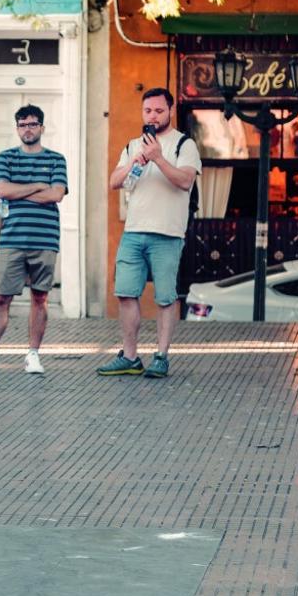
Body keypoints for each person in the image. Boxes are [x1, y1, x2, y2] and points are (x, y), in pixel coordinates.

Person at [99, 86, 201, 379]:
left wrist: (158, 158)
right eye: (148, 111)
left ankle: (161, 357)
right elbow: (114, 181)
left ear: (171, 111)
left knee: (165, 297)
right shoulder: (133, 145)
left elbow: (185, 181)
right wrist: (136, 161)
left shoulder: (184, 145)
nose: (153, 116)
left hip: (167, 233)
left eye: (159, 110)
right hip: (133, 231)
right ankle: (130, 357)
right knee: (125, 293)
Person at [0, 105, 68, 376]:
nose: (28, 129)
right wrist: (38, 186)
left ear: (42, 128)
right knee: (1, 298)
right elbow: (2, 190)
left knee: (40, 297)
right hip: (11, 238)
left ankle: (33, 355)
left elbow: (56, 195)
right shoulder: (6, 158)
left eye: (33, 124)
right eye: (23, 125)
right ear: (17, 129)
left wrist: (19, 192)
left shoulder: (56, 160)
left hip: (45, 239)